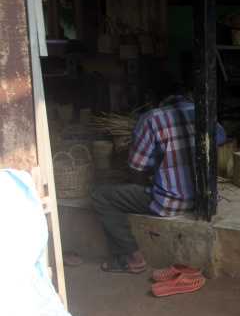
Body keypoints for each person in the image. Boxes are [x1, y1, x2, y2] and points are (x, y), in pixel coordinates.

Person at [91, 87, 225, 274]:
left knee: (101, 196)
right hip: (204, 200)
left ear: (157, 100)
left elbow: (136, 167)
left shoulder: (152, 118)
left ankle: (131, 257)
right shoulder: (202, 111)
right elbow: (221, 138)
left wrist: (145, 179)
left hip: (171, 203)